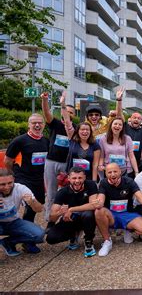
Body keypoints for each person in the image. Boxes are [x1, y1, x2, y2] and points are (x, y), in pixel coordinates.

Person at [94, 163, 142, 256]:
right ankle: (107, 241)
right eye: (109, 172)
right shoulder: (103, 183)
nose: (113, 174)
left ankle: (128, 229)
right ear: (105, 173)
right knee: (98, 211)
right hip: (111, 214)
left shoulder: (129, 181)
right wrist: (98, 203)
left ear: (120, 171)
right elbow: (101, 199)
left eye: (115, 171)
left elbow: (140, 196)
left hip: (127, 214)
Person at [4, 113, 49, 227]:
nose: (37, 125)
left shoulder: (46, 141)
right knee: (27, 202)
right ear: (29, 125)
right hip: (23, 177)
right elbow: (7, 160)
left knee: (37, 204)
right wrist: (12, 175)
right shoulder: (19, 140)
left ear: (44, 125)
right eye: (34, 123)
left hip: (38, 178)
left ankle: (26, 227)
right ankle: (17, 228)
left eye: (40, 123)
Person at [45, 167, 100, 257]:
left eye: (80, 178)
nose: (77, 181)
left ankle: (88, 242)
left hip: (87, 218)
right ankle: (73, 235)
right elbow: (52, 217)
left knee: (88, 214)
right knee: (51, 238)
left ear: (85, 178)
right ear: (68, 178)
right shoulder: (62, 192)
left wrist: (71, 209)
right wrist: (61, 212)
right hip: (71, 219)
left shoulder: (90, 185)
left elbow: (93, 205)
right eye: (74, 178)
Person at [41, 91, 76, 222]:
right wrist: (45, 100)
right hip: (51, 162)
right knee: (51, 192)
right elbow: (46, 114)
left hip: (66, 164)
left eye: (71, 112)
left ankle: (65, 218)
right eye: (66, 111)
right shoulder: (55, 124)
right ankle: (49, 219)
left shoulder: (75, 128)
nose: (68, 114)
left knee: (67, 192)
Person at [0, 169, 44, 256]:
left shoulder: (20, 188)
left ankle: (8, 242)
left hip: (13, 222)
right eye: (2, 184)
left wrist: (32, 202)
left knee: (39, 234)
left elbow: (39, 209)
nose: (7, 186)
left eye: (10, 183)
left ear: (14, 180)